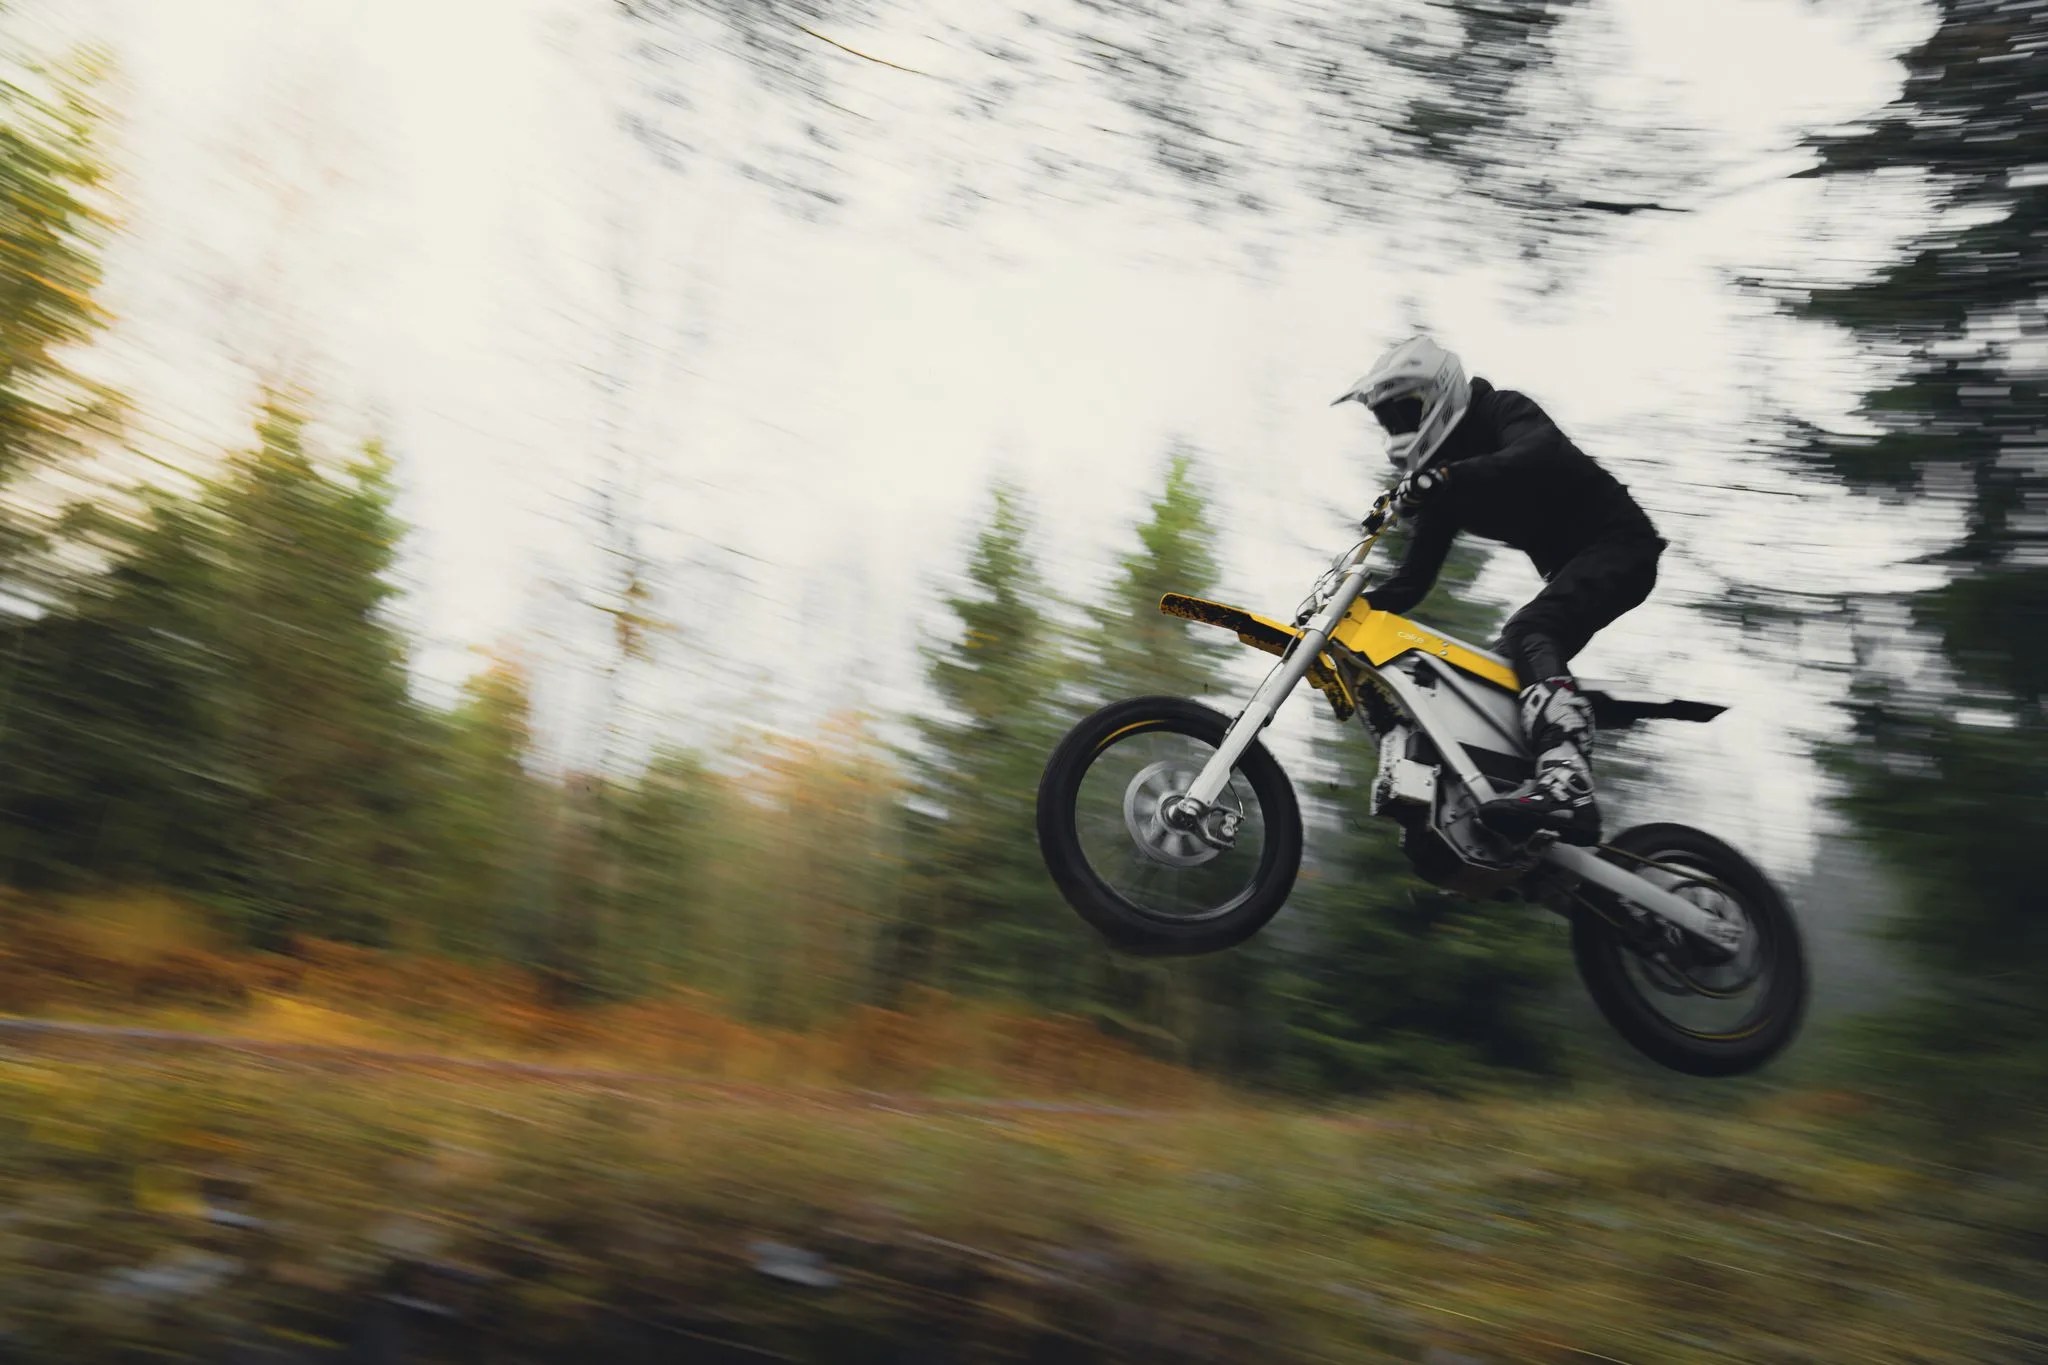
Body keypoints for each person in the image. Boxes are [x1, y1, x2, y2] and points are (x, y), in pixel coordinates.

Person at [1332, 336, 1665, 846]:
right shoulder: (1440, 489)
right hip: (1580, 564)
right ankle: (1514, 806)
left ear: (1436, 394)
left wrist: (1448, 477)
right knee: (1491, 673)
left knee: (1532, 628)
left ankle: (1569, 785)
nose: (1397, 429)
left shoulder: (1501, 409)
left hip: (1623, 546)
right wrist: (1350, 610)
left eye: (1404, 412)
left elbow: (1539, 452)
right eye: (1388, 420)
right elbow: (1413, 583)